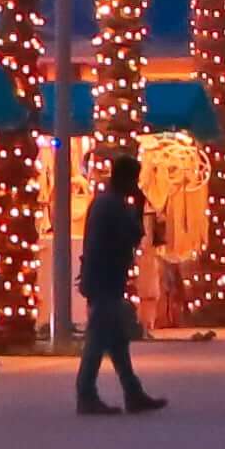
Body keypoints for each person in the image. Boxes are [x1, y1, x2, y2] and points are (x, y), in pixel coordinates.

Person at [74, 163, 162, 415]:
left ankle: (133, 393)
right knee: (98, 339)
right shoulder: (113, 206)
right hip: (105, 280)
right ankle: (86, 394)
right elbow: (133, 235)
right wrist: (137, 208)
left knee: (117, 341)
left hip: (102, 278)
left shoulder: (104, 203)